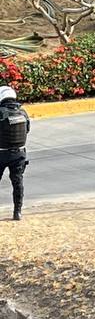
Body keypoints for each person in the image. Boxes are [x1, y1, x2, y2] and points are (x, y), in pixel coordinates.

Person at [0, 85, 30, 221]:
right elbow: (27, 130)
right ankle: (17, 212)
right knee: (17, 183)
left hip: (1, 153)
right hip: (19, 154)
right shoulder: (23, 113)